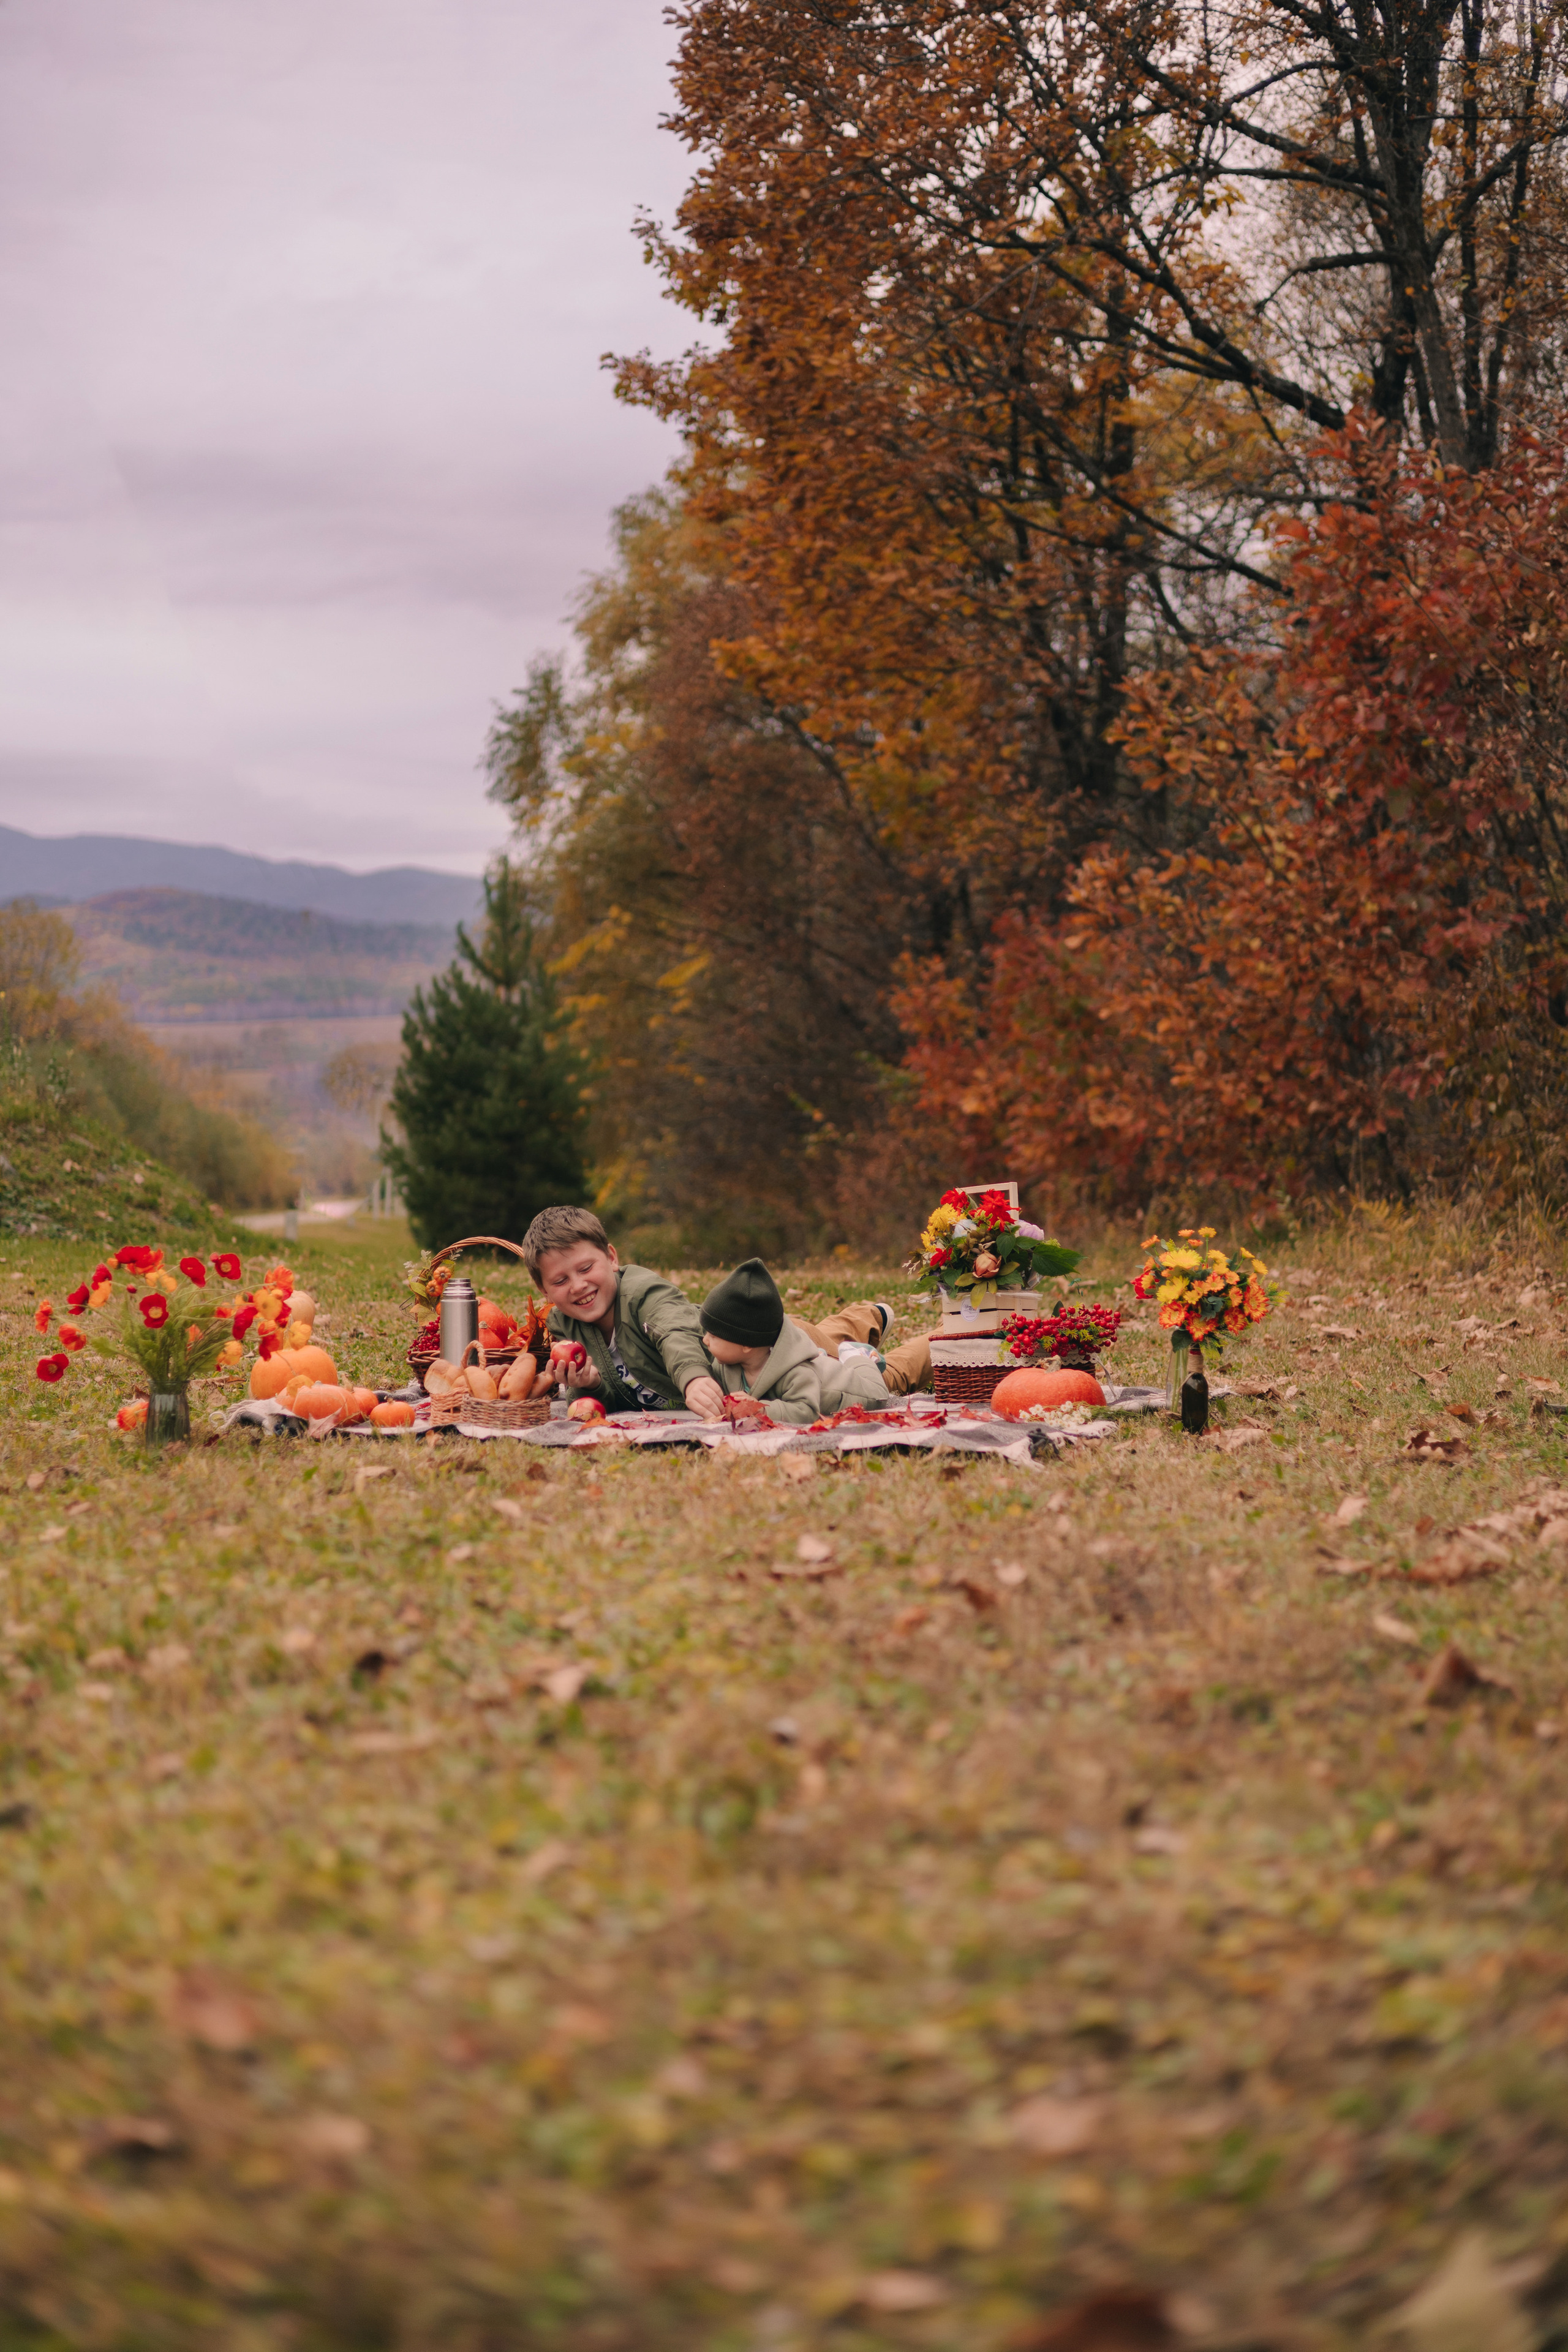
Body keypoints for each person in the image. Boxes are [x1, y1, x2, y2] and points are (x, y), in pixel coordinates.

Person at [520, 1206, 933, 1419]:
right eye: (560, 1281)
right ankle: (865, 1316)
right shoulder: (566, 1326)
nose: (577, 1285)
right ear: (544, 1289)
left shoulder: (644, 1292)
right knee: (823, 1336)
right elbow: (618, 1395)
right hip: (764, 1341)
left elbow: (675, 1334)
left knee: (877, 1379)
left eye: (586, 1268)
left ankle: (940, 1343)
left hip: (760, 1347)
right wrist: (589, 1384)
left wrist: (694, 1377)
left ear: (611, 1257)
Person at [699, 1257, 889, 1423]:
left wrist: (760, 1409)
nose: (705, 1340)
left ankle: (857, 1355)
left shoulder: (796, 1373)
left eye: (714, 1336)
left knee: (878, 1395)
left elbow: (807, 1411)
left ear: (747, 1344)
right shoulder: (727, 1364)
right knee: (817, 1366)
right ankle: (824, 1358)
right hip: (816, 1373)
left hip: (857, 1388)